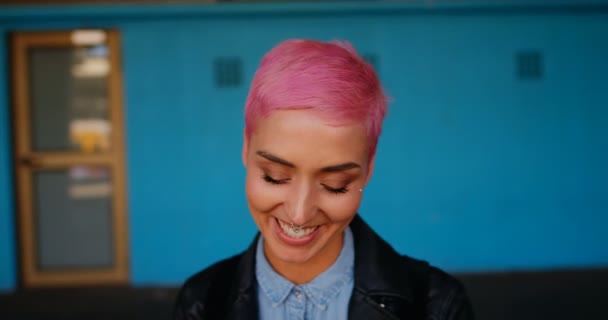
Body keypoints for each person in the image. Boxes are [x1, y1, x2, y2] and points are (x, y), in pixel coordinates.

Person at [174, 39, 474, 320]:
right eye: (275, 177)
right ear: (245, 148)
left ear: (369, 169)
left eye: (335, 184)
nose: (299, 213)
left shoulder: (436, 305)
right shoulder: (201, 302)